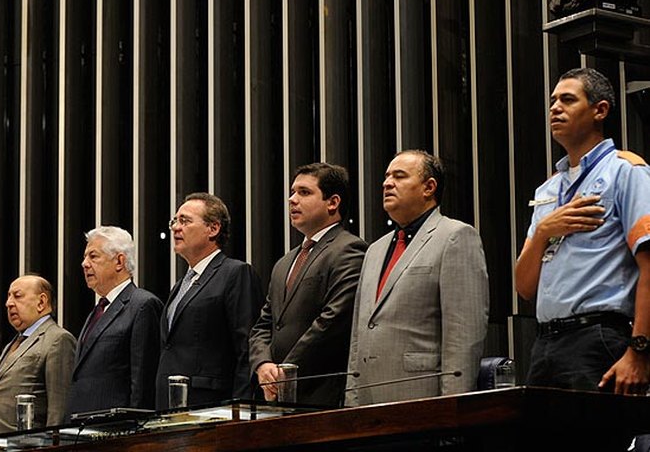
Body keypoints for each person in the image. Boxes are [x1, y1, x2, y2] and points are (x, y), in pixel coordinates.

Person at [516, 67, 650, 398]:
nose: (554, 108)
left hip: (598, 337)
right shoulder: (548, 189)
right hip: (545, 342)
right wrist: (545, 230)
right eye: (552, 101)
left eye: (567, 99)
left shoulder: (626, 171)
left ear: (599, 110)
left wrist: (639, 352)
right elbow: (524, 287)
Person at [344, 150, 489, 406]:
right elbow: (360, 334)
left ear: (429, 187)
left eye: (399, 176)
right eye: (387, 176)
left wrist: (451, 409)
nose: (387, 183)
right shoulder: (374, 250)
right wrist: (352, 402)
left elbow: (464, 335)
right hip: (367, 404)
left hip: (422, 399)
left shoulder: (455, 236)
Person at [249, 163, 368, 407]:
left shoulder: (349, 249)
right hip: (277, 393)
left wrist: (287, 372)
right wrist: (263, 365)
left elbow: (333, 321)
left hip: (321, 392)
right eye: (292, 192)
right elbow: (264, 324)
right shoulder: (284, 262)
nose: (292, 200)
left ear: (332, 202)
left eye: (304, 192)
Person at [156, 193, 263, 409]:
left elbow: (246, 347)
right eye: (174, 221)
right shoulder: (180, 285)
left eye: (185, 221)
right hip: (169, 405)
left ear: (213, 229)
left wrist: (240, 408)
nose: (176, 227)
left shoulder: (235, 273)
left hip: (212, 407)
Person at [66, 226, 163, 416]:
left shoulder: (143, 305)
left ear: (119, 261)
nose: (84, 264)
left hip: (115, 429)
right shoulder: (98, 309)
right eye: (85, 257)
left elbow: (143, 380)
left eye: (93, 257)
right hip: (83, 428)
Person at [0, 275, 76, 434]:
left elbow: (59, 411)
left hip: (28, 445)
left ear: (41, 302)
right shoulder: (15, 342)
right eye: (8, 296)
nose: (8, 303)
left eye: (17, 296)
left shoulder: (58, 339)